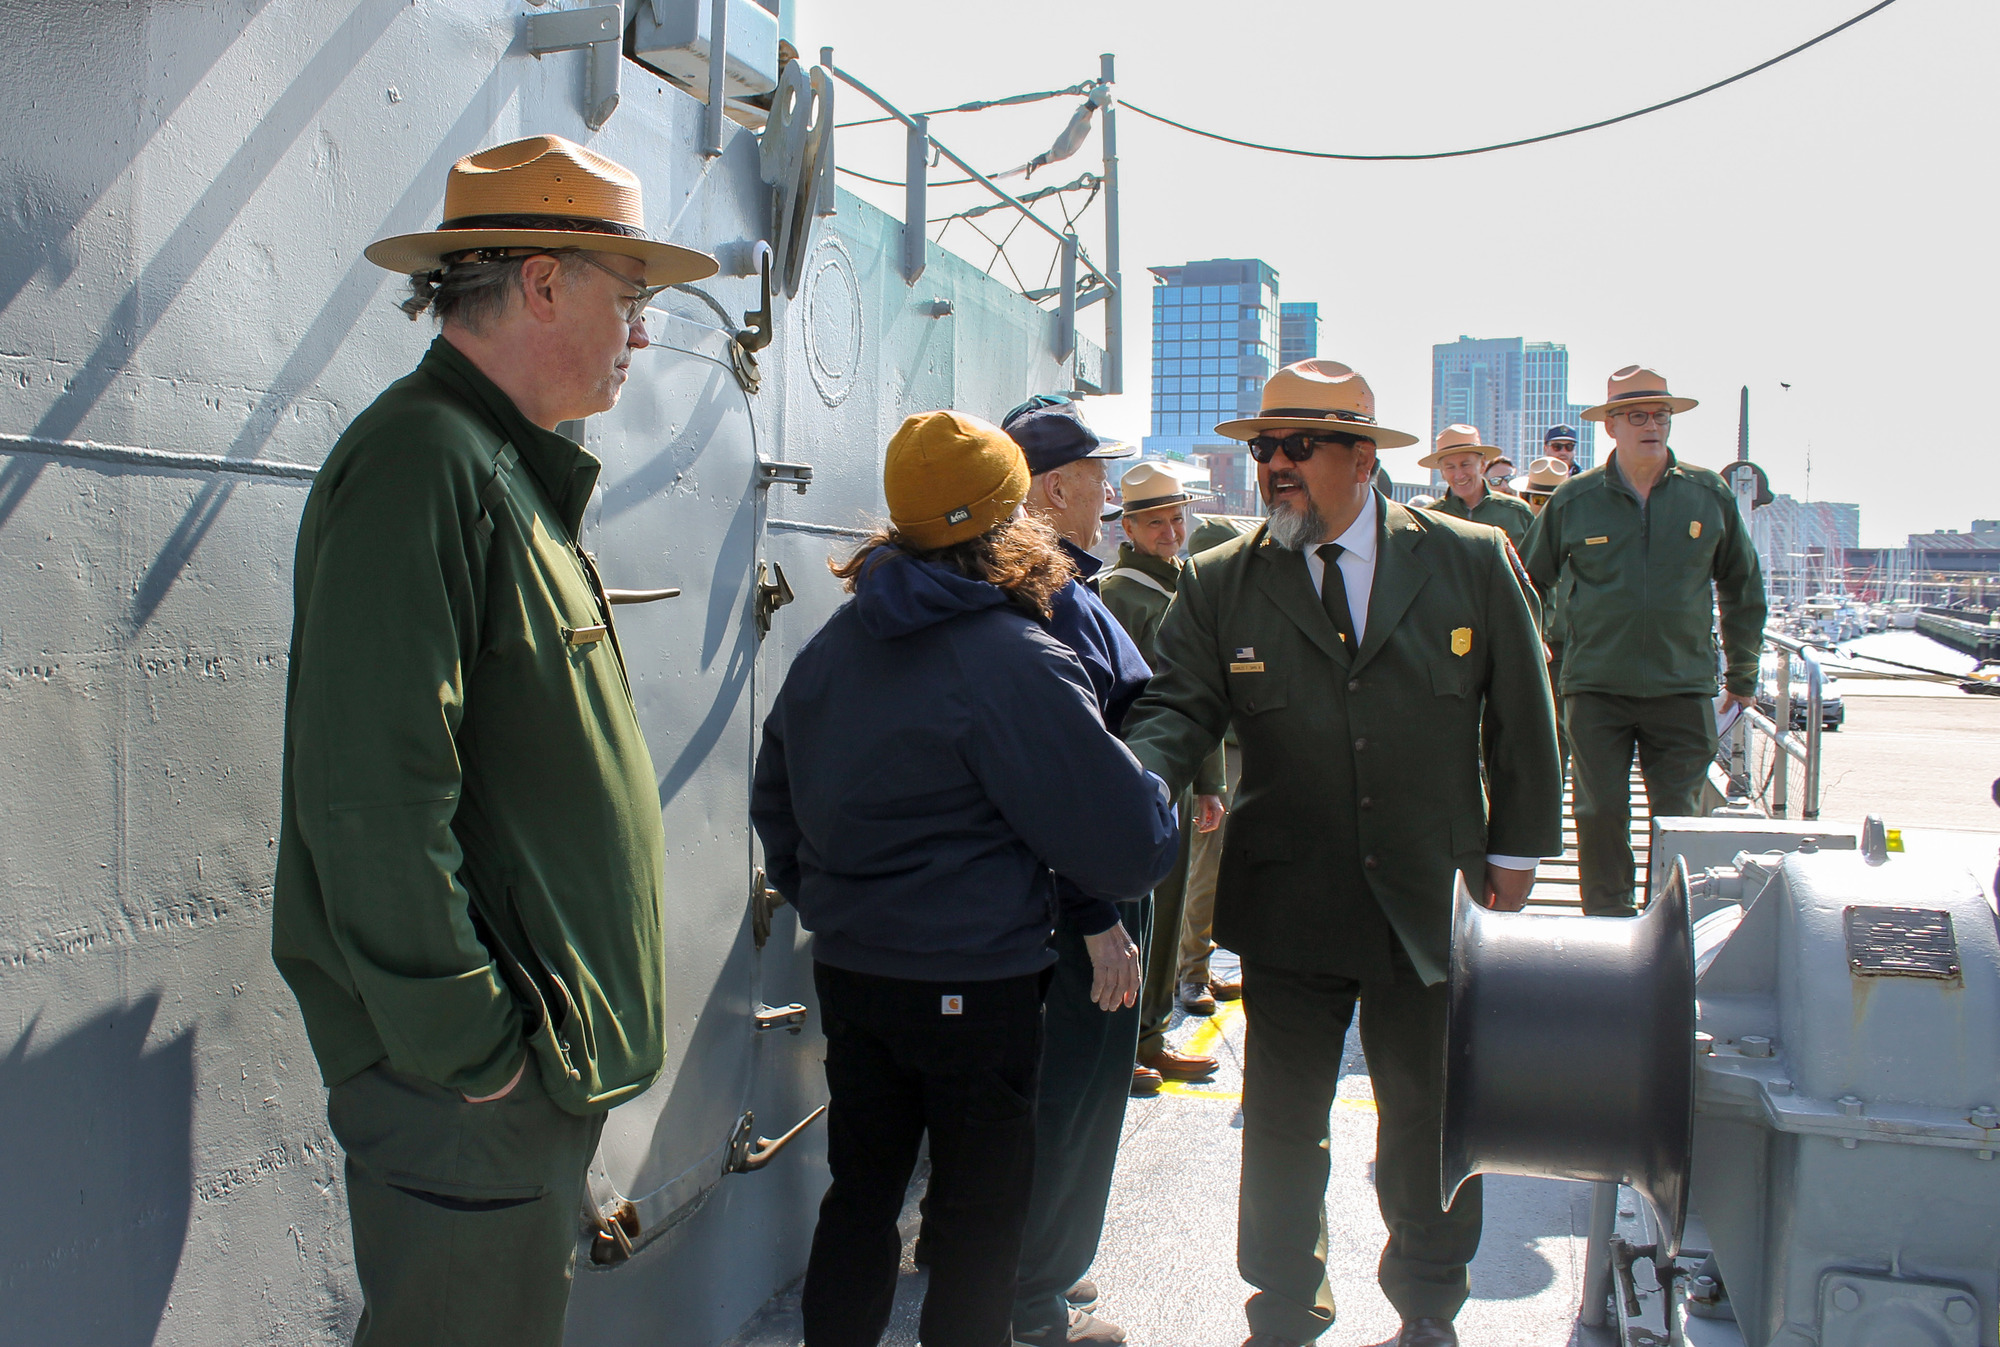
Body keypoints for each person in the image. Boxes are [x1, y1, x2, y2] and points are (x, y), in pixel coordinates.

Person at [270, 135, 717, 1346]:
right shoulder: (426, 461)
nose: (637, 333)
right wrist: (473, 1052)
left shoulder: (495, 468)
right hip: (467, 1082)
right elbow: (371, 799)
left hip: (512, 1074)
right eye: (627, 299)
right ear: (539, 282)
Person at [1120, 358, 1561, 1347]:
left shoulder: (1471, 560)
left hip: (1429, 894)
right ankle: (1282, 1312)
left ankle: (1427, 1309)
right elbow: (1178, 710)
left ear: (1359, 457)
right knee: (1280, 1128)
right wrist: (1130, 790)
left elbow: (1524, 726)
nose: (1270, 466)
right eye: (1260, 448)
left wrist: (1516, 863)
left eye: (1294, 447)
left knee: (1428, 1121)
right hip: (1288, 901)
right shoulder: (1219, 579)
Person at [751, 410, 1176, 1347]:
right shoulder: (1015, 658)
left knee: (860, 1197)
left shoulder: (837, 646)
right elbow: (1128, 844)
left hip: (857, 974)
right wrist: (1157, 788)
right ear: (1009, 521)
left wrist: (837, 907)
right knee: (981, 1225)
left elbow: (775, 798)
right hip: (975, 986)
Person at [999, 396, 1164, 1346]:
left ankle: (1017, 1265)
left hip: (1046, 893)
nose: (1111, 489)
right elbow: (1056, 771)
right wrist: (1097, 907)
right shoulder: (1049, 595)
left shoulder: (1044, 580)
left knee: (1035, 1091)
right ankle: (1036, 1299)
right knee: (1073, 1095)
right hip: (1076, 898)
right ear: (1056, 485)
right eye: (1099, 473)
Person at [1520, 366, 1767, 915]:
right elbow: (1527, 584)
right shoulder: (1574, 500)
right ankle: (1608, 929)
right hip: (1595, 687)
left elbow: (1742, 585)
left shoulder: (1708, 495)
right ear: (1610, 425)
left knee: (1680, 819)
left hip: (1682, 688)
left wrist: (1743, 676)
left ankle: (1672, 924)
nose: (1652, 424)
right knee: (1598, 811)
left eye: (1661, 414)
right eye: (1637, 415)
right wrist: (1529, 657)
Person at [1097, 465, 1229, 1063]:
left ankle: (1150, 1031)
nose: (1171, 532)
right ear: (1128, 527)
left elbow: (1198, 692)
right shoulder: (1119, 593)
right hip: (1136, 773)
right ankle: (1135, 1041)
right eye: (1156, 523)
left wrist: (1208, 783)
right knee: (1140, 913)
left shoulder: (1182, 582)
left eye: (1177, 519)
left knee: (1167, 909)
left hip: (1175, 774)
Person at [1422, 424, 1535, 549]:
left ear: (1482, 465)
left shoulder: (1517, 512)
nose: (1459, 475)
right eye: (1450, 467)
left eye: (1465, 464)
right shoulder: (1429, 517)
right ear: (1442, 472)